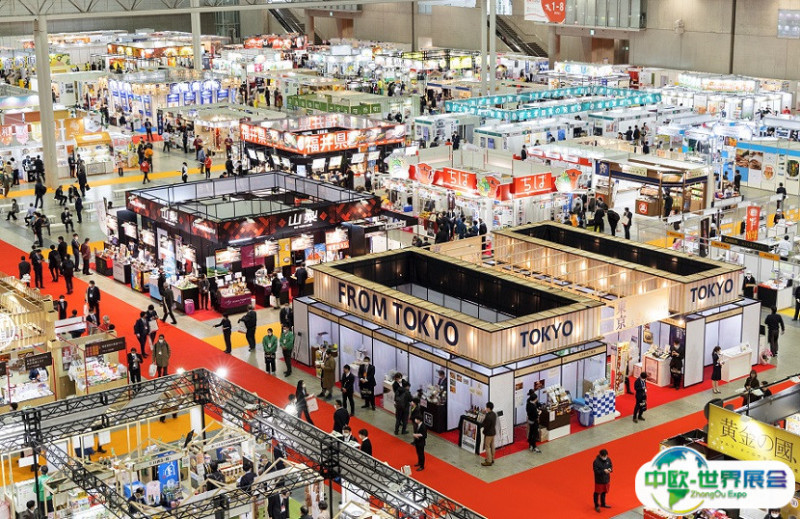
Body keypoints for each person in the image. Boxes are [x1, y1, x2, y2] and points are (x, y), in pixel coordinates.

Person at [480, 402, 497, 467]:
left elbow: (486, 425)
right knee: (492, 445)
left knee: (487, 446)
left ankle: (489, 461)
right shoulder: (494, 414)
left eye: (486, 407)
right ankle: (492, 458)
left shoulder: (488, 416)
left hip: (489, 433)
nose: (486, 408)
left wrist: (483, 431)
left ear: (488, 408)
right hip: (493, 432)